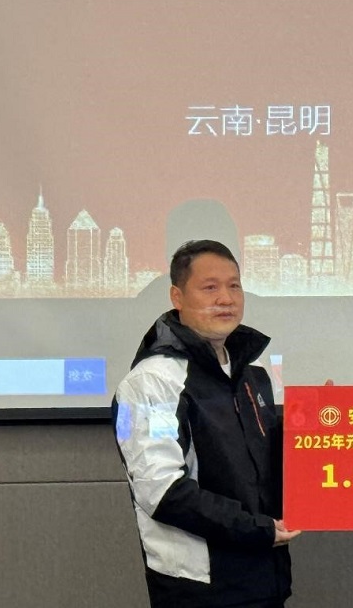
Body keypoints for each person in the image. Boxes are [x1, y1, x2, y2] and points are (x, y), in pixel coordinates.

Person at [113, 239, 299, 608]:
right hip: (200, 587)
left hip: (266, 576)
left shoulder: (253, 374)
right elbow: (162, 492)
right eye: (210, 287)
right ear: (177, 297)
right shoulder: (152, 382)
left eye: (234, 286)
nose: (226, 299)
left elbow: (265, 468)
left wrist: (317, 431)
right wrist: (255, 529)